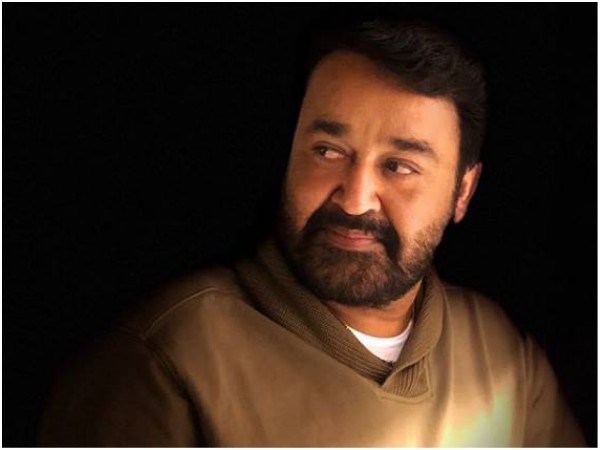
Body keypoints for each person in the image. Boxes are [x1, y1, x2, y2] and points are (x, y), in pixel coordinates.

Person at [38, 18, 585, 447]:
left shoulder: (501, 354)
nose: (355, 197)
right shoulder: (167, 361)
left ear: (463, 191)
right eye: (327, 152)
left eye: (399, 166)